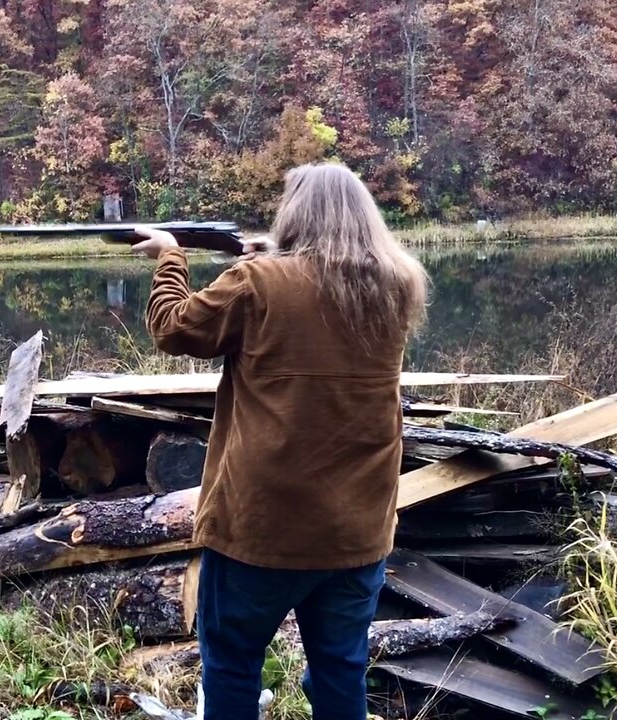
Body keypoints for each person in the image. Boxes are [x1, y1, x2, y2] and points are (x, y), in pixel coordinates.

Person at [130, 163, 430, 720]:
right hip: (357, 530)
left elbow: (173, 327)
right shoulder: (396, 283)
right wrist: (261, 255)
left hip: (263, 527)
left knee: (233, 665)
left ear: (294, 215)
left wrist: (171, 256)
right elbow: (313, 283)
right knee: (341, 669)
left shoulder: (258, 283)